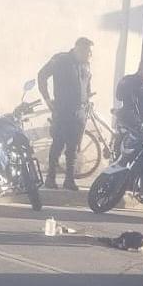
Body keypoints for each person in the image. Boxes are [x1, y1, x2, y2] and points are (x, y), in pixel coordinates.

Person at [38, 37, 94, 191]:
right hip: (63, 110)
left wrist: (87, 100)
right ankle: (50, 178)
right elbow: (42, 75)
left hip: (79, 112)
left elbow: (87, 84)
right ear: (78, 48)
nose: (89, 55)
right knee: (58, 144)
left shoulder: (86, 65)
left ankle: (69, 180)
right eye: (87, 51)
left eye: (90, 52)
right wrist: (48, 99)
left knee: (73, 147)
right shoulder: (61, 60)